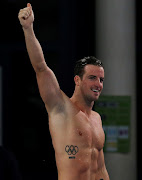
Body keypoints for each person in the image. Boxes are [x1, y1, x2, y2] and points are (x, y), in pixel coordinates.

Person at [18, 3, 110, 180]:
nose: (98, 84)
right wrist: (28, 28)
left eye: (101, 79)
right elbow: (41, 68)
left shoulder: (97, 119)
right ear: (77, 80)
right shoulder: (61, 108)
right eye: (92, 77)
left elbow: (100, 168)